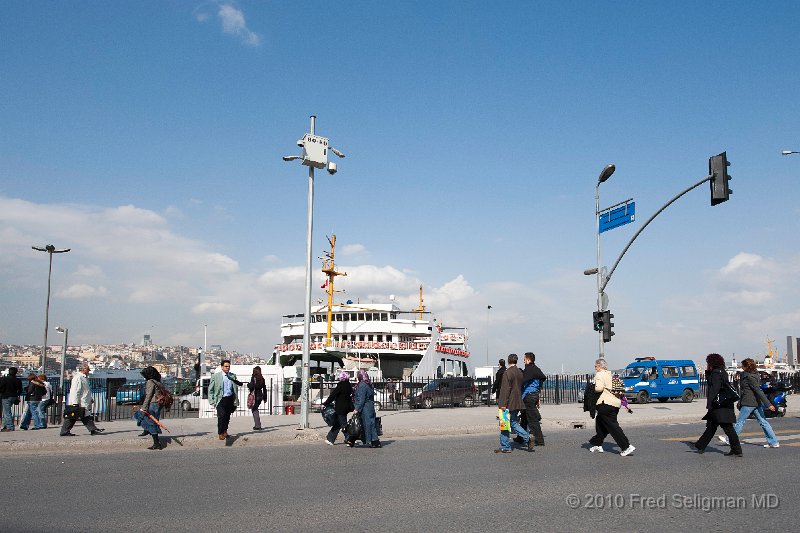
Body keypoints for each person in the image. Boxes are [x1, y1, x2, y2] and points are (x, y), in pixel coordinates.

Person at [718, 358, 779, 449]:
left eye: (742, 365)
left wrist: (768, 404)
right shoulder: (756, 375)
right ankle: (773, 442)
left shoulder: (748, 377)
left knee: (740, 422)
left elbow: (757, 390)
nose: (741, 366)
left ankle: (730, 439)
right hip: (755, 402)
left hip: (748, 402)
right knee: (763, 422)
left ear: (746, 366)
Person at [692, 353, 742, 457]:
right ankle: (700, 445)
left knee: (727, 428)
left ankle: (737, 450)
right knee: (711, 426)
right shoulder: (721, 372)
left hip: (718, 406)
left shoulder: (715, 374)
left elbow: (714, 390)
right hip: (724, 404)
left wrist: (709, 405)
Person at [588, 358, 635, 456]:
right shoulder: (610, 374)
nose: (595, 368)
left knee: (613, 426)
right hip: (615, 404)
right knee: (600, 423)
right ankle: (597, 444)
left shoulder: (600, 374)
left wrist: (593, 387)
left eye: (596, 366)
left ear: (600, 366)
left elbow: (599, 388)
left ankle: (626, 446)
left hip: (605, 403)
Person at [496, 353, 531, 453]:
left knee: (505, 424)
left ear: (508, 361)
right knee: (514, 423)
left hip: (508, 403)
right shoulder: (520, 372)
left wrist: (502, 404)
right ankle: (527, 437)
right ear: (516, 361)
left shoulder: (507, 373)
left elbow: (505, 390)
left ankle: (506, 446)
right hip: (517, 402)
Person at [60, 364, 105, 437]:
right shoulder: (78, 378)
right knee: (73, 417)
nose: (89, 371)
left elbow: (86, 391)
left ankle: (93, 429)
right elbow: (76, 391)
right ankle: (65, 431)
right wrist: (75, 402)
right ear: (83, 369)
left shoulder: (84, 378)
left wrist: (90, 399)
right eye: (87, 370)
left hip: (84, 401)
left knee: (85, 416)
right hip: (80, 402)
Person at [208, 360, 242, 440]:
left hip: (229, 399)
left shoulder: (232, 376)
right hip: (220, 399)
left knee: (227, 416)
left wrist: (235, 399)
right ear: (222, 367)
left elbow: (235, 388)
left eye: (229, 366)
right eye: (226, 366)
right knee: (221, 415)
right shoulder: (216, 376)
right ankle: (220, 432)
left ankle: (225, 431)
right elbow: (211, 390)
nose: (228, 368)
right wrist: (212, 400)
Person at [134, 366, 165, 450]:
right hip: (158, 404)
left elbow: (149, 395)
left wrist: (144, 407)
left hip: (153, 404)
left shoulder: (150, 382)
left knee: (139, 416)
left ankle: (156, 443)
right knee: (153, 421)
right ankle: (147, 430)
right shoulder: (157, 381)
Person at [520, 352, 547, 447]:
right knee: (524, 417)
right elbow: (541, 380)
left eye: (524, 359)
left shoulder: (529, 370)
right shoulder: (536, 370)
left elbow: (522, 382)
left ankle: (539, 440)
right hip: (534, 395)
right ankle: (520, 438)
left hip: (529, 396)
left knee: (533, 420)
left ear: (528, 360)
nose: (523, 361)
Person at [323, 370, 354, 445]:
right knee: (338, 423)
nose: (339, 378)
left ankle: (350, 439)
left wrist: (326, 403)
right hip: (346, 407)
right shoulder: (349, 385)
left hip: (340, 407)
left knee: (343, 424)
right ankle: (330, 439)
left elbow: (333, 395)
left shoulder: (341, 385)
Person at [352, 370, 381, 448]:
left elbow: (361, 399)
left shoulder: (362, 385)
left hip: (365, 407)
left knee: (367, 424)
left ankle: (374, 441)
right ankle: (374, 441)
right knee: (371, 424)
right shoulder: (369, 384)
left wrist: (357, 408)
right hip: (370, 406)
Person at [0, 367, 23, 432]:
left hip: (6, 396)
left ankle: (10, 427)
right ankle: (6, 426)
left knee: (7, 412)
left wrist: (3, 391)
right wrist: (16, 395)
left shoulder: (4, 379)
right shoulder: (18, 380)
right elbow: (20, 390)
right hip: (14, 396)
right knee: (6, 412)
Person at [247, 366, 268, 430]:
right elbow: (264, 389)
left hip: (255, 396)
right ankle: (257, 425)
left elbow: (251, 386)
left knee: (254, 410)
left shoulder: (254, 378)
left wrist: (248, 384)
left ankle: (257, 425)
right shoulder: (262, 379)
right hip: (260, 396)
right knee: (255, 409)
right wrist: (265, 398)